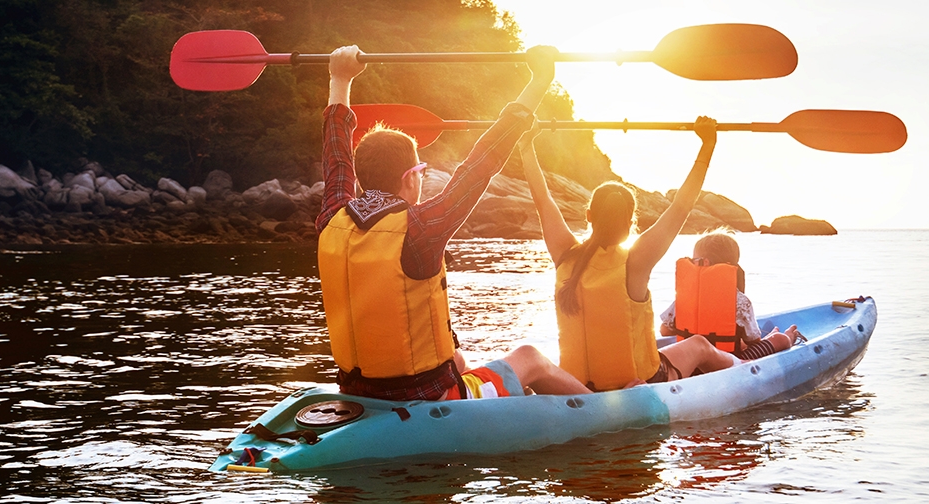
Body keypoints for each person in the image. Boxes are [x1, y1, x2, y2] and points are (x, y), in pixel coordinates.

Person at [316, 45, 591, 401]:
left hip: (359, 392)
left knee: (458, 356)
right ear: (410, 177)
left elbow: (335, 153)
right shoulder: (420, 229)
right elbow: (482, 162)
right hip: (431, 396)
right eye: (420, 170)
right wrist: (541, 80)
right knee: (531, 358)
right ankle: (606, 409)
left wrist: (339, 78)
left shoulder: (333, 217)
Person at [518, 119, 747, 392]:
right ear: (630, 222)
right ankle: (747, 368)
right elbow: (681, 206)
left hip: (575, 386)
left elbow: (543, 200)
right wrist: (708, 144)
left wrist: (525, 144)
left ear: (589, 216)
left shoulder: (564, 254)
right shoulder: (635, 262)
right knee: (699, 345)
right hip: (640, 384)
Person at [658, 231, 806, 361]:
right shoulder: (740, 301)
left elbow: (664, 330)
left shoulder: (685, 297)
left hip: (688, 360)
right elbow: (753, 340)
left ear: (705, 262)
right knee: (780, 339)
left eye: (694, 260)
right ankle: (788, 337)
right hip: (727, 362)